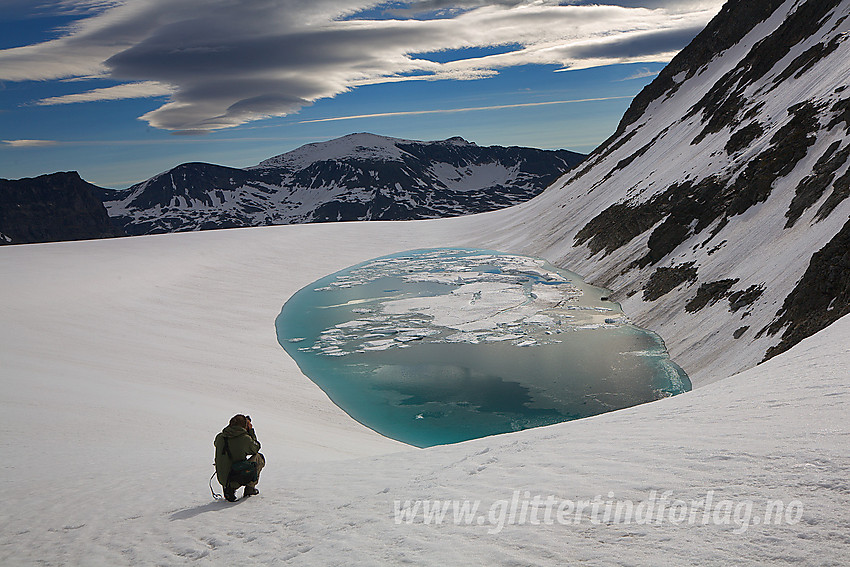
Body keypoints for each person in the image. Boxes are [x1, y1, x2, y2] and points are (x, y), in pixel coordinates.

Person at [214, 414, 265, 502]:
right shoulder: (244, 438)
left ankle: (229, 490)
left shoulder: (220, 437)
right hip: (236, 477)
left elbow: (217, 443)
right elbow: (255, 448)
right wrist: (250, 431)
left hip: (223, 479)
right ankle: (250, 488)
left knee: (226, 460)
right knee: (259, 458)